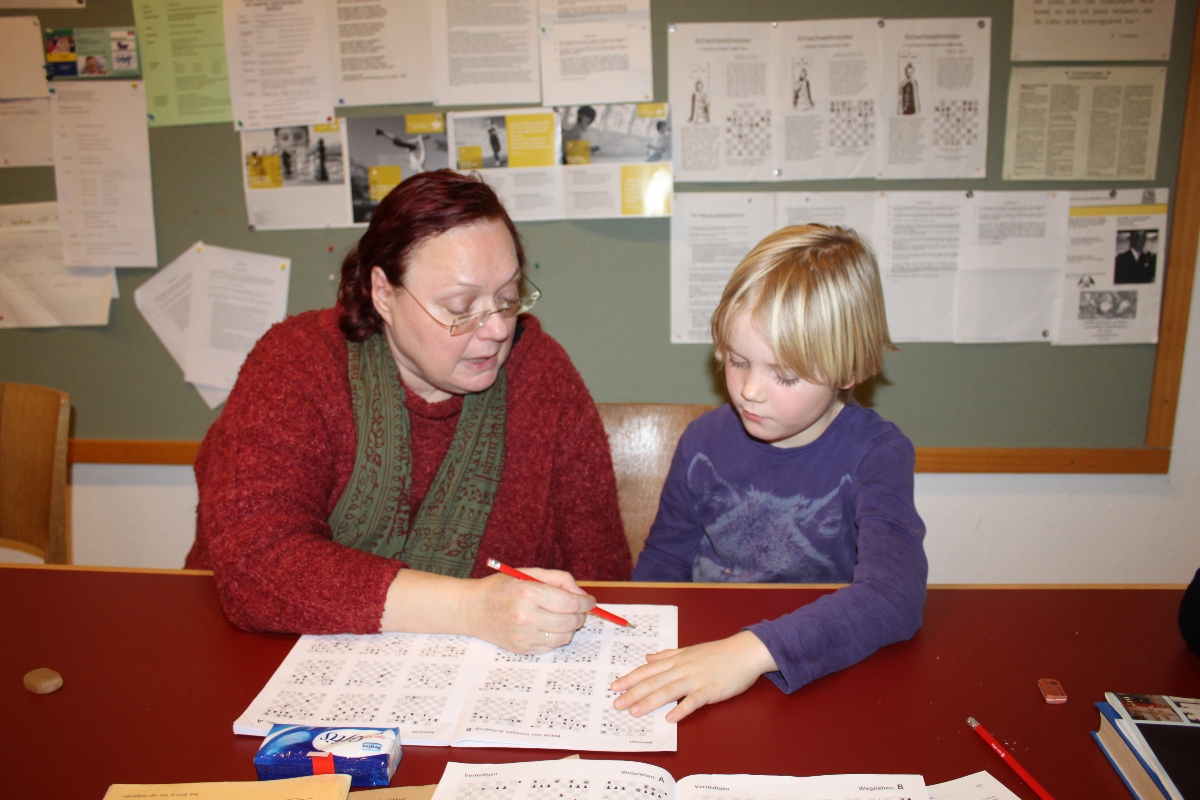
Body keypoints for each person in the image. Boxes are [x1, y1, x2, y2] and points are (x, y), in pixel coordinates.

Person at [186, 170, 631, 653]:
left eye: (506, 299)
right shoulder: (297, 363)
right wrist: (471, 608)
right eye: (460, 306)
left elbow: (600, 570)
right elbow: (256, 565)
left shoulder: (543, 376)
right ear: (383, 293)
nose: (498, 329)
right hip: (263, 659)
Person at [612, 225, 927, 722]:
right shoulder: (702, 441)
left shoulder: (877, 453)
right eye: (738, 362)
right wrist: (635, 638)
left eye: (784, 375)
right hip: (705, 656)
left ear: (847, 371)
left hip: (819, 672)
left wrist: (748, 651)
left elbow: (894, 597)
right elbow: (665, 560)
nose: (750, 391)